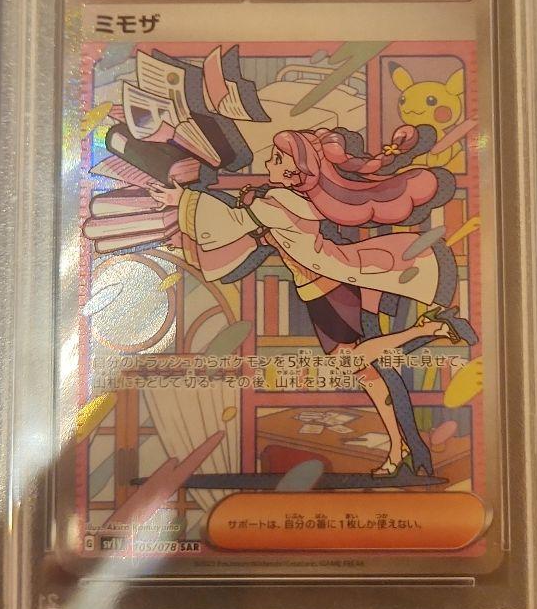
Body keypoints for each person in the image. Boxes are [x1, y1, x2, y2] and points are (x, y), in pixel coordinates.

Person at [146, 125, 477, 477]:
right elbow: (250, 233)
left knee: (353, 363)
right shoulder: (284, 201)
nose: (268, 164)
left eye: (277, 159)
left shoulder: (282, 202)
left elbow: (233, 221)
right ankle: (399, 448)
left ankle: (431, 330)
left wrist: (182, 200)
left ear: (295, 172)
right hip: (320, 290)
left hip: (330, 290)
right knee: (367, 374)